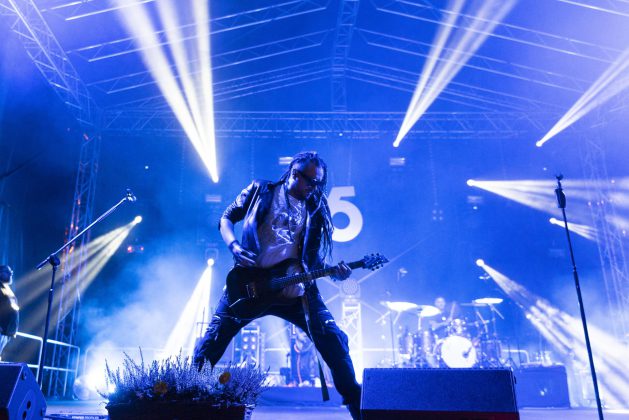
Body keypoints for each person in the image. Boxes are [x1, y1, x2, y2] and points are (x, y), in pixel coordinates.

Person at [193, 152, 362, 419]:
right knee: (212, 342)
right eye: (311, 182)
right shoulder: (261, 191)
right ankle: (188, 402)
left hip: (296, 291)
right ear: (294, 174)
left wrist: (334, 273)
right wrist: (234, 246)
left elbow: (312, 258)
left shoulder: (315, 209)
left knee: (335, 341)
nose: (315, 187)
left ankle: (359, 408)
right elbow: (226, 217)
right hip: (251, 284)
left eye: (319, 183)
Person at [0, 265, 19, 360]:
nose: (11, 274)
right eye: (7, 272)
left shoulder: (6, 288)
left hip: (6, 331)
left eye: (11, 272)